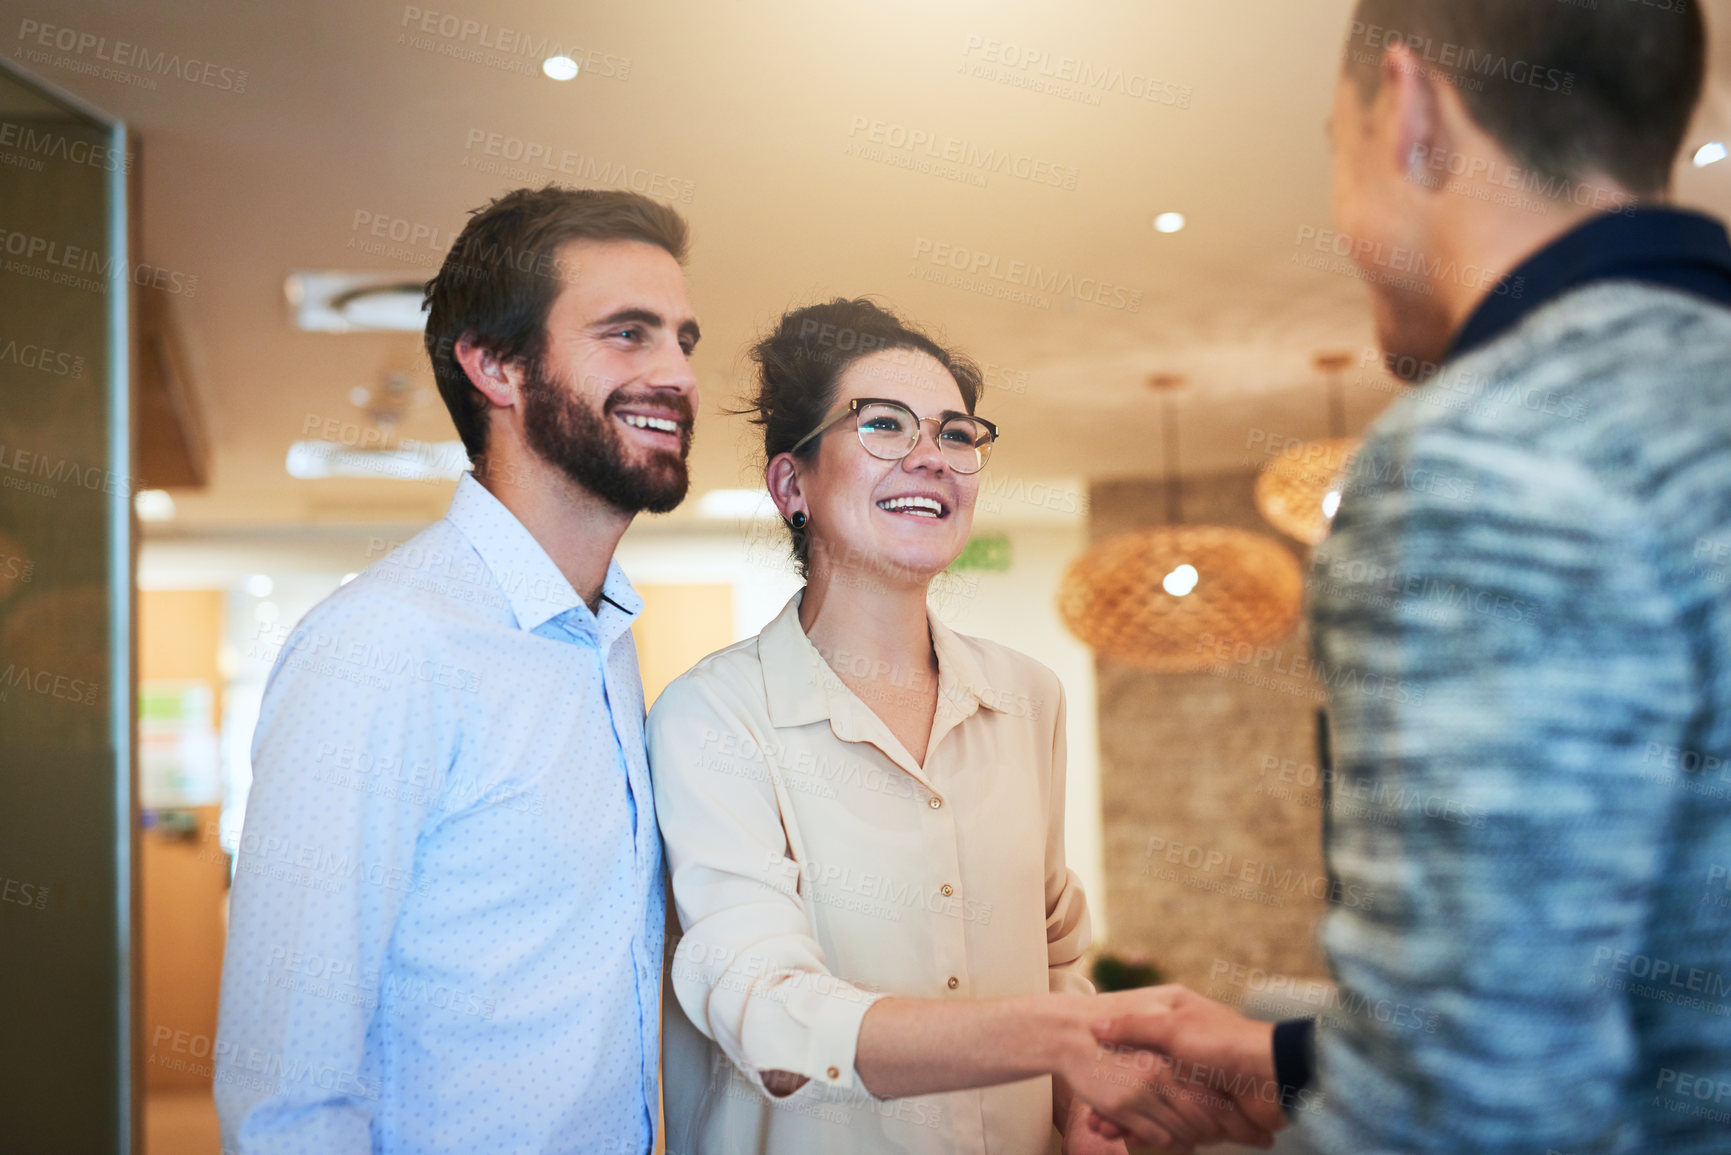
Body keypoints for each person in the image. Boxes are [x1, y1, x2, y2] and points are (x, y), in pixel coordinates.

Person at [1087, 2, 1731, 1153]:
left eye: (1336, 147)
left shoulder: (1481, 462)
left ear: (1413, 111)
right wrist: (1297, 1060)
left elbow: (1471, 1110)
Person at [647, 299, 1276, 1154]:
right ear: (792, 485)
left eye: (954, 434)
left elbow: (1054, 951)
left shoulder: (1027, 697)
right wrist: (1053, 1036)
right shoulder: (712, 715)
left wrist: (1080, 1110)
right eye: (882, 425)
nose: (929, 458)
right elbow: (761, 1003)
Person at [214, 186, 701, 1153]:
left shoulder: (602, 639)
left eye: (684, 339)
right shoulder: (385, 646)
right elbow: (286, 1092)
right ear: (495, 365)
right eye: (628, 334)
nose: (677, 374)